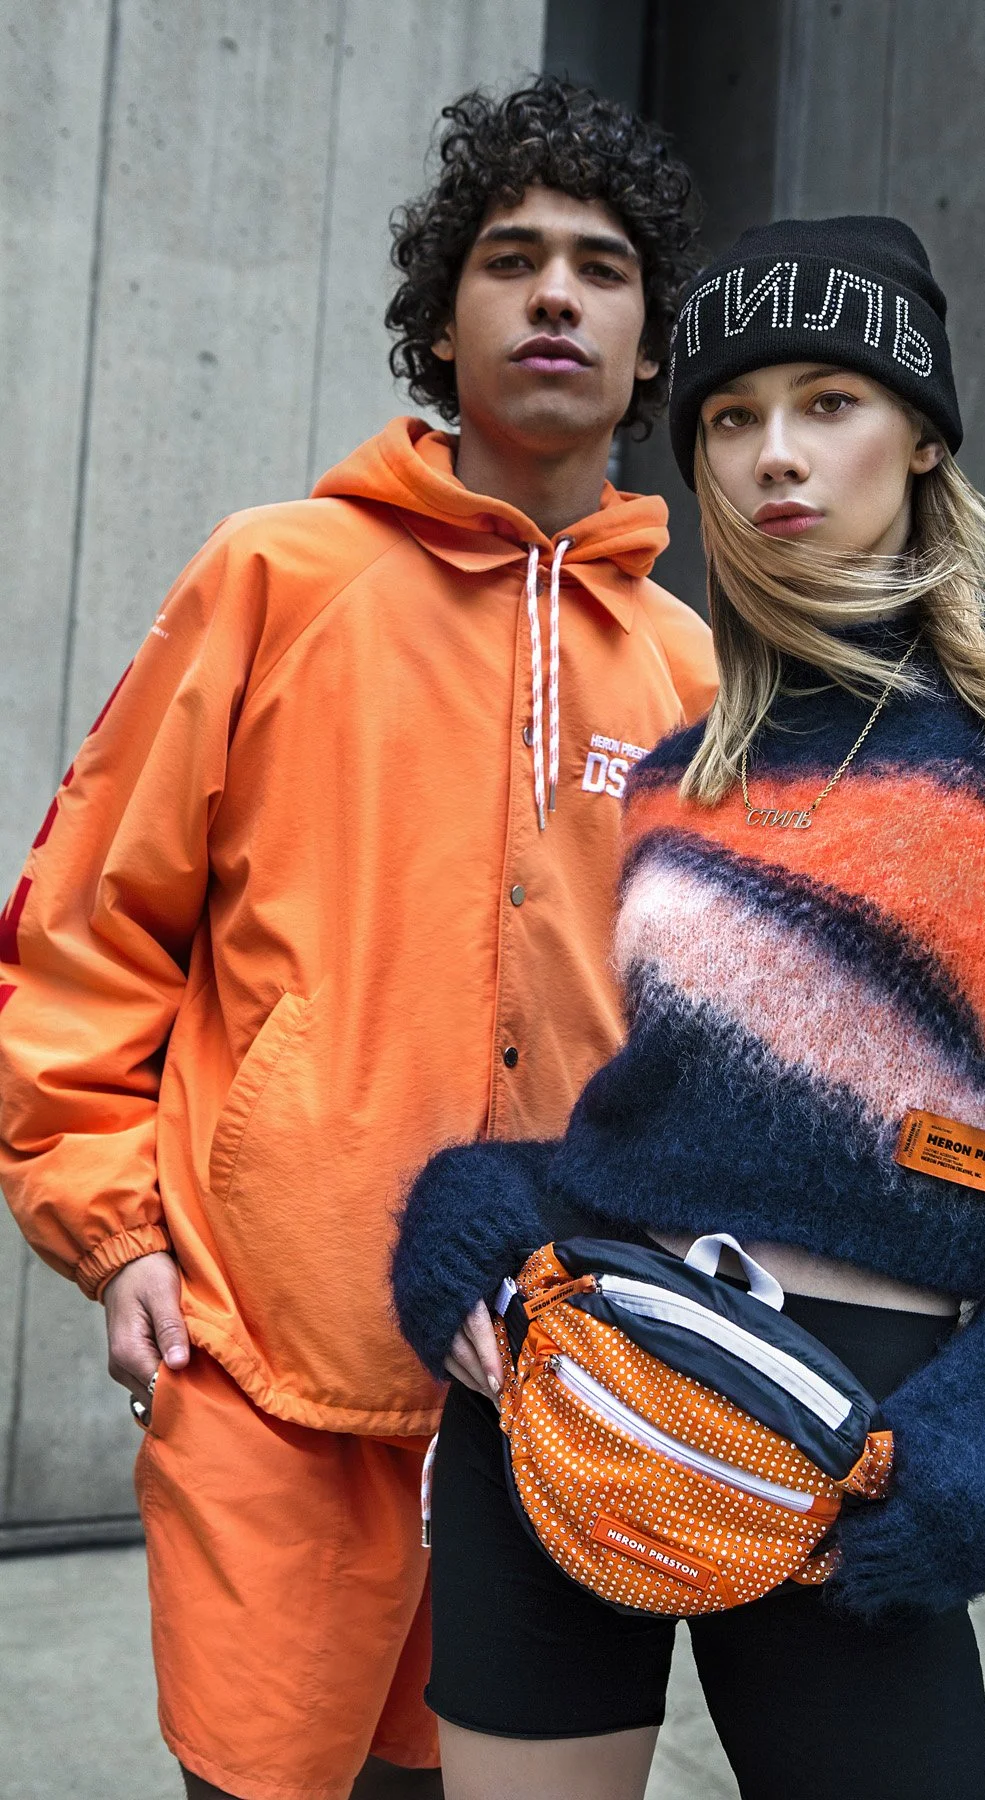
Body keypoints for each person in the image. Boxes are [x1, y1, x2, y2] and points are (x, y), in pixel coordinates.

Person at [392, 216, 985, 1800]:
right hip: (570, 1378)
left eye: (831, 402)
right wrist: (481, 1202)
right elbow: (671, 1118)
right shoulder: (684, 766)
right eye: (731, 418)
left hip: (871, 1443)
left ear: (924, 433)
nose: (777, 453)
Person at [0, 78, 714, 1800]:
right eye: (510, 258)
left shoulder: (689, 667)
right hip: (267, 1357)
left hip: (557, 1390)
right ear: (442, 321)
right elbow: (88, 923)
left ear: (646, 341)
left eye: (602, 267)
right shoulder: (277, 575)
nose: (555, 295)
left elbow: (706, 1040)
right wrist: (113, 1227)